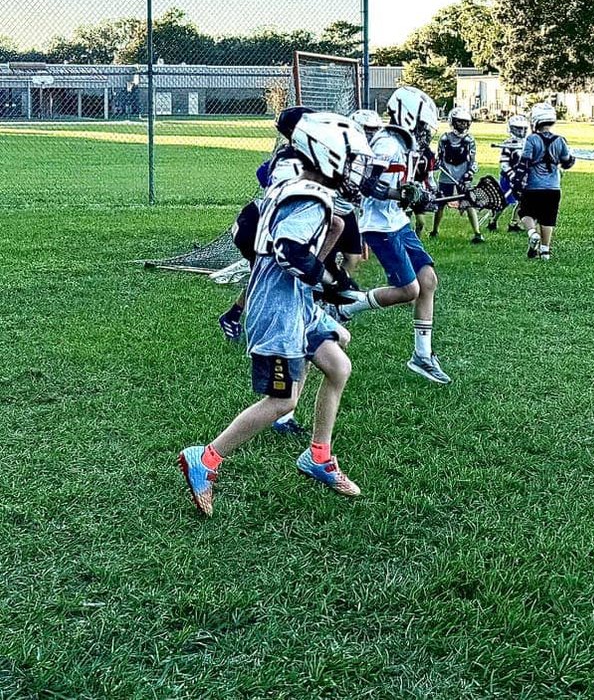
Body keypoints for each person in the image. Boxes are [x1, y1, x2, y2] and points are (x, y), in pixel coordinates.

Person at [178, 114, 374, 515]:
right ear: (328, 155)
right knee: (283, 401)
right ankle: (206, 458)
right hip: (278, 309)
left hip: (296, 302)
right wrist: (328, 281)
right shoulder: (309, 198)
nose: (357, 169)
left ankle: (318, 457)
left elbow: (327, 228)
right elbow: (289, 251)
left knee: (338, 365)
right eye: (353, 159)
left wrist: (331, 266)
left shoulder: (302, 186)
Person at [338, 86, 451, 385]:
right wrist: (401, 194)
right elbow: (365, 185)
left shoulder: (405, 145)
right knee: (408, 290)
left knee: (428, 280)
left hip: (397, 221)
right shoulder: (387, 144)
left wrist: (421, 199)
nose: (425, 132)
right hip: (379, 226)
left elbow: (405, 189)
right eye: (423, 125)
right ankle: (346, 307)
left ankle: (422, 356)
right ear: (408, 117)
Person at [217, 105, 314, 342]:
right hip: (256, 226)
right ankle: (267, 334)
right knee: (271, 280)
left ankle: (234, 316)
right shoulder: (294, 159)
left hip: (258, 221)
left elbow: (262, 175)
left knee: (265, 276)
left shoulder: (287, 154)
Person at [514, 102, 575, 260]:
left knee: (525, 212)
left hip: (533, 187)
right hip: (553, 188)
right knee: (548, 218)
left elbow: (524, 163)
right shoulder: (560, 140)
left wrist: (517, 182)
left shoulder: (532, 139)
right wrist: (571, 158)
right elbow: (567, 162)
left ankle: (532, 233)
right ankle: (545, 250)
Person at [431, 107, 483, 244]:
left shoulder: (469, 140)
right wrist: (436, 164)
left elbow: (473, 160)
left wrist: (468, 174)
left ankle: (477, 233)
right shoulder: (444, 138)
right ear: (452, 122)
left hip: (463, 177)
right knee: (440, 204)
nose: (462, 125)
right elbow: (440, 157)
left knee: (469, 203)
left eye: (465, 122)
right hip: (446, 176)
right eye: (459, 122)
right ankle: (435, 230)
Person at [488, 114, 529, 232]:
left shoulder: (527, 143)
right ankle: (493, 221)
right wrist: (511, 175)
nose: (521, 131)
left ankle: (514, 223)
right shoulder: (508, 144)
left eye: (523, 129)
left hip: (522, 177)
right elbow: (504, 163)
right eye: (518, 129)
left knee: (523, 201)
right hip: (508, 177)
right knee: (504, 201)